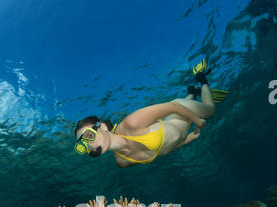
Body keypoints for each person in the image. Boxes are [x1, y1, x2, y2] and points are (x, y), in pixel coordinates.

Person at [74, 59, 227, 168]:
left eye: (88, 136)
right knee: (189, 102)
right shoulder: (123, 162)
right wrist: (186, 141)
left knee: (210, 110)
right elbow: (161, 151)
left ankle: (201, 79)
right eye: (82, 144)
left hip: (178, 111)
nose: (89, 144)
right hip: (178, 127)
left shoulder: (131, 124)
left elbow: (172, 107)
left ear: (102, 127)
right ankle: (193, 92)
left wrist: (199, 122)